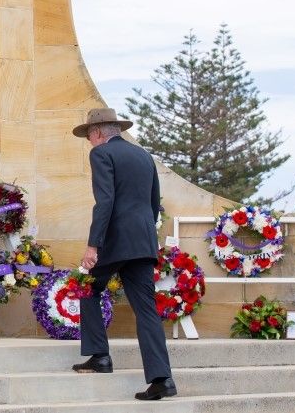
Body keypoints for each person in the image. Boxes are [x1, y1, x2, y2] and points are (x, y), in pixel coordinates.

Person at [70, 108, 177, 401]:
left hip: (116, 240)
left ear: (98, 133)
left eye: (89, 137)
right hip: (143, 241)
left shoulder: (100, 154)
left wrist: (93, 246)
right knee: (146, 309)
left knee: (87, 286)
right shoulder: (143, 155)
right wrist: (143, 235)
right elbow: (154, 204)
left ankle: (100, 356)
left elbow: (104, 202)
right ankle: (162, 379)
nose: (90, 142)